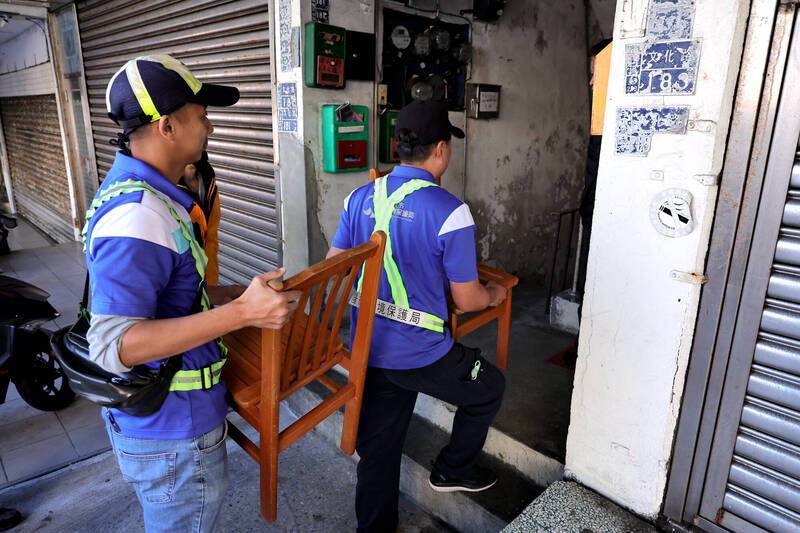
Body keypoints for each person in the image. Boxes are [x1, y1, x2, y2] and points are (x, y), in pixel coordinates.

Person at [84, 54, 300, 532]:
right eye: (202, 116)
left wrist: (230, 296)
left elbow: (169, 295)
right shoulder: (138, 215)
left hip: (170, 427)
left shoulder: (155, 195)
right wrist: (243, 314)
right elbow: (114, 345)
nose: (210, 127)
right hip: (172, 437)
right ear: (167, 126)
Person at [327, 100, 508, 533]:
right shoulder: (449, 210)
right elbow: (468, 300)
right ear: (441, 149)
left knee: (379, 451)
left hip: (368, 349)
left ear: (399, 146)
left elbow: (334, 268)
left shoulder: (358, 197)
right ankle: (453, 469)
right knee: (489, 387)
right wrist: (494, 294)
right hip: (422, 354)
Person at [178, 152, 242, 303]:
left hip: (205, 288)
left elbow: (211, 238)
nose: (210, 129)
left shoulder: (206, 176)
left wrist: (210, 289)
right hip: (180, 302)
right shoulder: (156, 189)